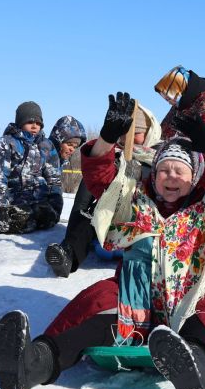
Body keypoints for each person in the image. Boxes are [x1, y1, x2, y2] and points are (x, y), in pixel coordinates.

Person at [0, 91, 205, 389]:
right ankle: (33, 364)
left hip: (193, 296)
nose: (171, 177)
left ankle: (193, 370)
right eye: (164, 170)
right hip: (135, 298)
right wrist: (107, 138)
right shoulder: (135, 203)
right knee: (95, 307)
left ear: (194, 177)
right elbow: (100, 179)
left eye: (180, 171)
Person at [45, 104, 161, 278]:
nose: (126, 138)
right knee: (89, 213)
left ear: (149, 132)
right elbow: (93, 181)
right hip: (108, 229)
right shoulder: (113, 156)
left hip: (143, 229)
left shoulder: (163, 158)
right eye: (123, 133)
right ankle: (69, 254)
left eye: (134, 133)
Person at [0, 101, 64, 241]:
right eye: (30, 121)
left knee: (43, 220)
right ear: (20, 122)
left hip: (38, 204)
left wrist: (55, 206)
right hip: (13, 202)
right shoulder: (7, 143)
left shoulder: (47, 146)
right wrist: (0, 207)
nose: (34, 126)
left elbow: (54, 179)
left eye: (38, 123)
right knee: (6, 224)